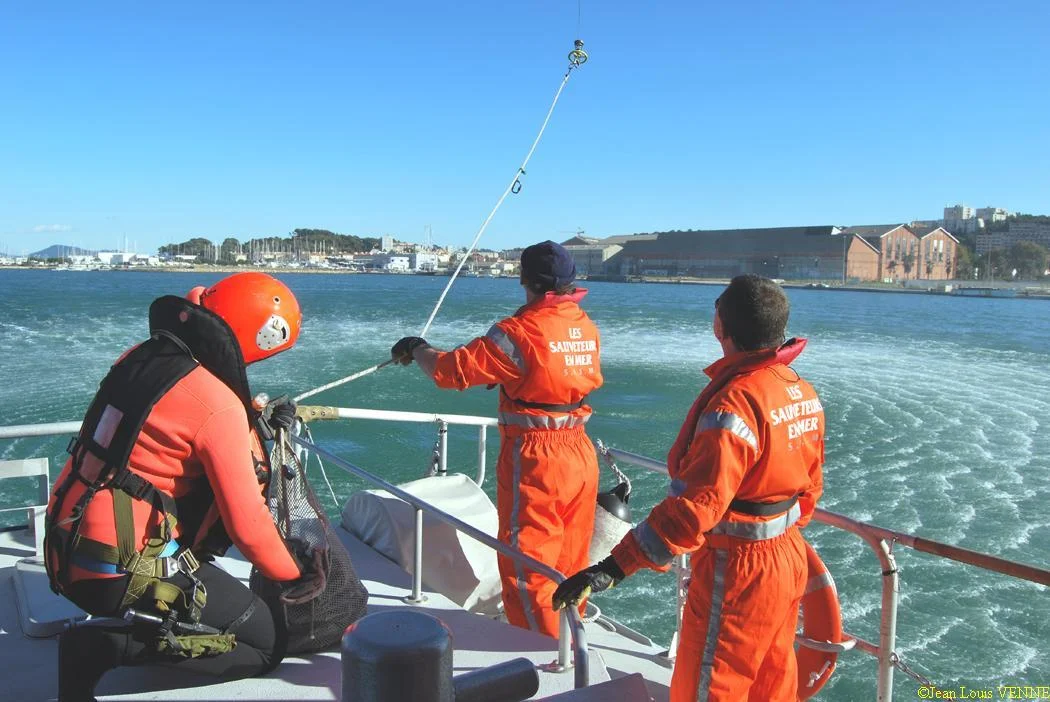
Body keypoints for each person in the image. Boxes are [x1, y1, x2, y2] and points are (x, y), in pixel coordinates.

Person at [553, 274, 825, 702]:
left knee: (711, 686)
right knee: (772, 684)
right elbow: (810, 489)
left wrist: (612, 567)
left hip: (738, 571)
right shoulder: (800, 391)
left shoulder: (733, 405)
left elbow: (694, 509)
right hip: (787, 559)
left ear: (721, 327)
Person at [45, 272, 315, 702]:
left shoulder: (139, 356)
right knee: (264, 643)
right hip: (119, 574)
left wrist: (250, 417)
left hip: (65, 544)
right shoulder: (218, 405)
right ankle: (104, 647)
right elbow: (247, 526)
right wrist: (298, 577)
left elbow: (175, 417)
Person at [391, 240, 603, 637]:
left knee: (529, 565)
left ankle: (538, 652)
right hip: (580, 451)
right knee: (571, 561)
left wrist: (416, 349)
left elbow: (450, 372)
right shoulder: (584, 326)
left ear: (524, 279)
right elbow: (553, 375)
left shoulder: (518, 333)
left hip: (537, 458)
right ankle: (571, 641)